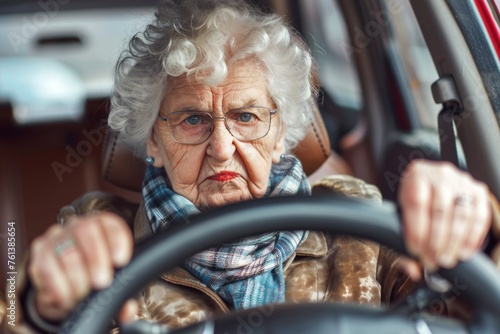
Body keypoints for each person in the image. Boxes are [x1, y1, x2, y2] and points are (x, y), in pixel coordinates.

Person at [3, 0, 499, 332]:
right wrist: (42, 302)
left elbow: (472, 310)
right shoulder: (100, 240)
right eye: (193, 119)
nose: (222, 148)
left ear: (281, 133)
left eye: (246, 117)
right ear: (152, 139)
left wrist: (475, 231)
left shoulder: (360, 224)